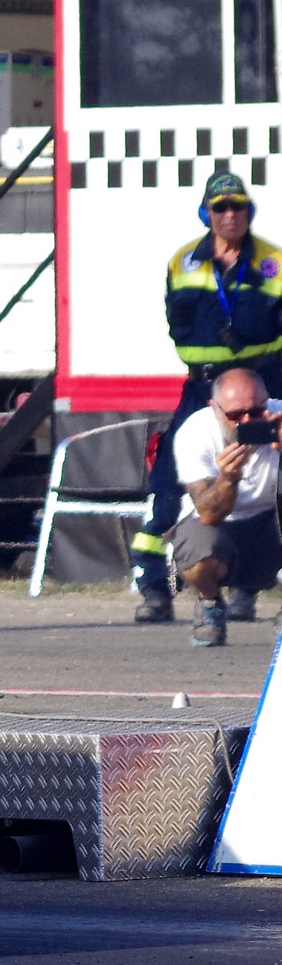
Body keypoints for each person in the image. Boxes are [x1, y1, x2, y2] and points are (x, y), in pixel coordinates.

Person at [138, 173, 282, 623]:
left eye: (238, 207)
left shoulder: (274, 262)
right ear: (207, 214)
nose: (230, 215)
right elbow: (174, 323)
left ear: (248, 212)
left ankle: (246, 584)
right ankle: (152, 586)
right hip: (201, 386)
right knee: (169, 478)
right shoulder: (182, 263)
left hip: (262, 384)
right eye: (220, 208)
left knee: (266, 474)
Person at [168, 366, 282, 646]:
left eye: (255, 413)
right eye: (234, 415)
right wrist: (228, 478)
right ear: (215, 409)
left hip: (271, 528)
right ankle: (210, 605)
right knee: (198, 545)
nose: (245, 421)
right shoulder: (196, 432)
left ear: (267, 401)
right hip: (219, 532)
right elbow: (208, 514)